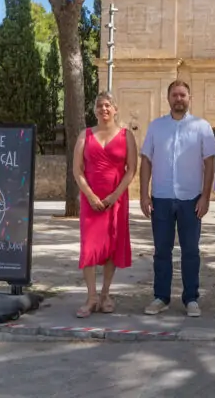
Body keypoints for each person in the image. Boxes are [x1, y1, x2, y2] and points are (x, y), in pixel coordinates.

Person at [139, 80, 215, 317]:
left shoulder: (202, 127)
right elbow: (146, 161)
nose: (179, 99)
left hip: (191, 199)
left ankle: (191, 298)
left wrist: (206, 197)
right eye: (175, 95)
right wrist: (144, 194)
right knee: (162, 251)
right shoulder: (156, 127)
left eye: (183, 95)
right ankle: (160, 297)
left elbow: (209, 163)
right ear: (168, 98)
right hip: (161, 198)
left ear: (189, 98)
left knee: (191, 251)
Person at [73, 92, 138, 318]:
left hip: (116, 199)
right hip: (91, 198)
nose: (104, 109)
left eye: (107, 105)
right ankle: (90, 297)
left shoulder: (126, 135)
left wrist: (114, 196)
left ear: (115, 109)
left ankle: (105, 294)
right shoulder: (85, 135)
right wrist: (90, 195)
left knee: (112, 246)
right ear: (95, 110)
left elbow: (131, 170)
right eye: (100, 106)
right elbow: (77, 170)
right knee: (89, 247)